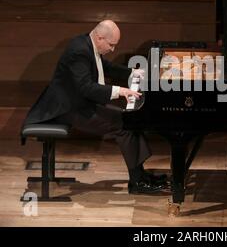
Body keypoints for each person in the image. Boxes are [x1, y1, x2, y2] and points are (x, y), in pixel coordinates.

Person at [23, 20, 167, 194]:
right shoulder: (79, 51)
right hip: (68, 109)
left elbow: (104, 67)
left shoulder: (87, 43)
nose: (113, 49)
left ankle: (141, 177)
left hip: (78, 104)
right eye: (111, 45)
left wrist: (131, 73)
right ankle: (138, 182)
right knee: (125, 127)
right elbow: (86, 87)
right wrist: (120, 91)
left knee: (129, 120)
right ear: (100, 38)